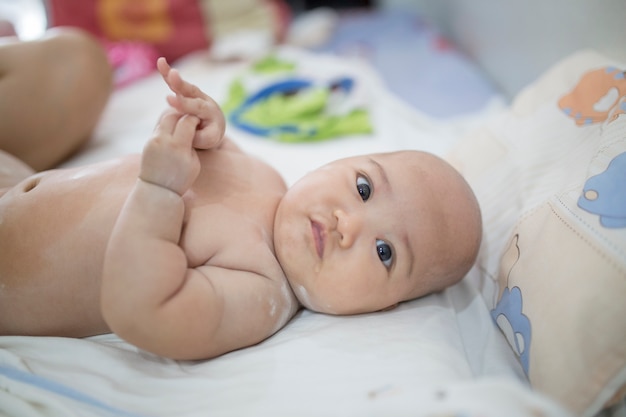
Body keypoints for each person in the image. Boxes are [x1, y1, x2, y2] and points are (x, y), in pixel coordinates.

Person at [0, 29, 482, 361]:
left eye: (384, 252)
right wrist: (204, 126)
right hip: (13, 178)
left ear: (383, 308)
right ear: (337, 163)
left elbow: (137, 311)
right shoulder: (267, 178)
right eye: (363, 187)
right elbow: (200, 155)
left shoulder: (258, 291)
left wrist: (159, 191)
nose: (348, 224)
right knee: (77, 59)